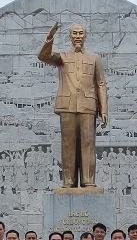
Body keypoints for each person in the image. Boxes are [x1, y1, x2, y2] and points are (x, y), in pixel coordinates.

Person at [38, 22, 108, 188]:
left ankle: (88, 181)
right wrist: (50, 37)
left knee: (88, 143)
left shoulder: (94, 58)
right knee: (68, 144)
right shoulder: (62, 57)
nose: (77, 36)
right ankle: (68, 182)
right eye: (74, 33)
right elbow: (43, 56)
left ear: (85, 36)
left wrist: (103, 109)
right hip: (67, 105)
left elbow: (101, 83)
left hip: (88, 106)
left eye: (80, 33)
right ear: (70, 36)